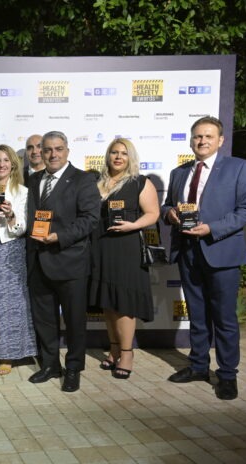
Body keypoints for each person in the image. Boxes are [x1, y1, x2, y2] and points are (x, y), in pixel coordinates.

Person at [162, 116, 246, 400]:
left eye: (208, 136)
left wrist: (212, 228)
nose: (202, 141)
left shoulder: (238, 167)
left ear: (220, 140)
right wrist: (170, 213)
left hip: (222, 252)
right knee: (197, 314)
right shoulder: (179, 172)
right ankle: (198, 366)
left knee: (224, 318)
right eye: (197, 136)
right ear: (191, 140)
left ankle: (227, 375)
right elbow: (168, 205)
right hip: (188, 252)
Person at [26, 131, 100, 392]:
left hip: (70, 261)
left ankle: (73, 368)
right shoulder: (33, 180)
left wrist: (60, 237)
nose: (52, 154)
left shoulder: (83, 179)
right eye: (47, 150)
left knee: (75, 321)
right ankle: (50, 365)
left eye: (58, 149)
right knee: (44, 320)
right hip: (38, 262)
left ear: (67, 151)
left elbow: (90, 218)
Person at [89, 138, 159, 380]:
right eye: (114, 152)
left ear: (131, 157)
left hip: (126, 248)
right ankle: (114, 349)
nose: (118, 157)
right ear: (108, 156)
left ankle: (127, 353)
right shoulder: (96, 182)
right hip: (99, 247)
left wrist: (133, 225)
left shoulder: (140, 182)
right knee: (108, 303)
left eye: (124, 153)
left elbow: (153, 213)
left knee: (124, 304)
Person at [0, 144, 37, 375]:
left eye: (6, 160)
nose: (1, 164)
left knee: (10, 304)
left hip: (10, 249)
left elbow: (22, 228)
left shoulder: (22, 191)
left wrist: (11, 215)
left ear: (13, 164)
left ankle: (8, 354)